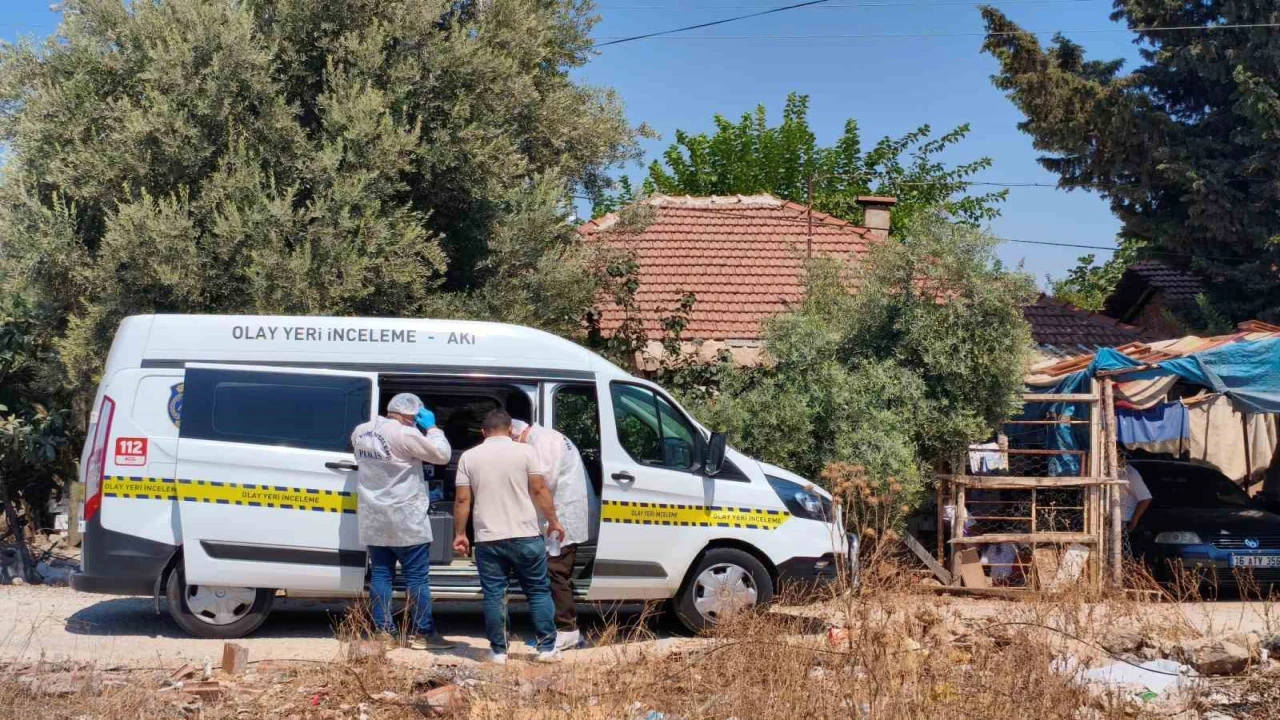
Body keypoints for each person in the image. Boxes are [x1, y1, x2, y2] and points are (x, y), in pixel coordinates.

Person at [452, 409, 565, 664]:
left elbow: (462, 499)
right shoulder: (527, 452)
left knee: (495, 595)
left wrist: (460, 533)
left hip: (488, 538)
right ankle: (547, 649)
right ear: (511, 430)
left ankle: (499, 652)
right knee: (538, 591)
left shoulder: (469, 457)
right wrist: (553, 521)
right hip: (526, 534)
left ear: (483, 432)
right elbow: (539, 489)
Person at [351, 393, 455, 651]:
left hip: (375, 517)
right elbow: (442, 455)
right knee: (417, 578)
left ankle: (384, 632)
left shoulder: (361, 431)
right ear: (412, 416)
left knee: (381, 575)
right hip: (405, 518)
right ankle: (423, 633)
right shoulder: (406, 433)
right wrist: (432, 428)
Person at [510, 419, 592, 650]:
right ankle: (558, 629)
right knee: (554, 572)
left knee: (556, 573)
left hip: (560, 519)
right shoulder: (544, 438)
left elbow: (542, 484)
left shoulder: (544, 441)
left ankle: (567, 631)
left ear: (516, 434)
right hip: (558, 517)